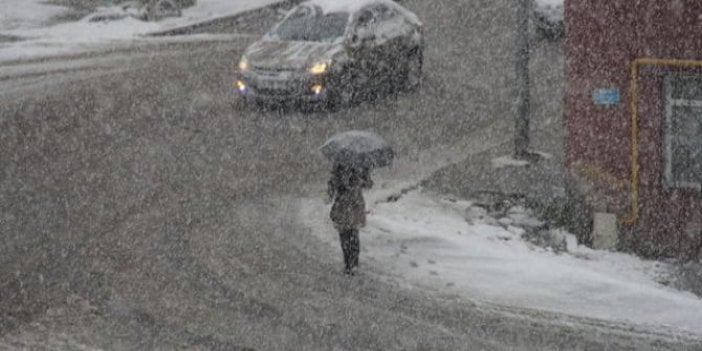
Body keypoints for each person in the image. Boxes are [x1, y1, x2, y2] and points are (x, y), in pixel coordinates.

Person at [328, 164, 373, 275]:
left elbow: (331, 189)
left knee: (346, 235)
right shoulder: (360, 166)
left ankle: (349, 263)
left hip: (345, 205)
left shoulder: (339, 167)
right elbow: (368, 184)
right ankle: (353, 263)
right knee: (352, 234)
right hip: (354, 205)